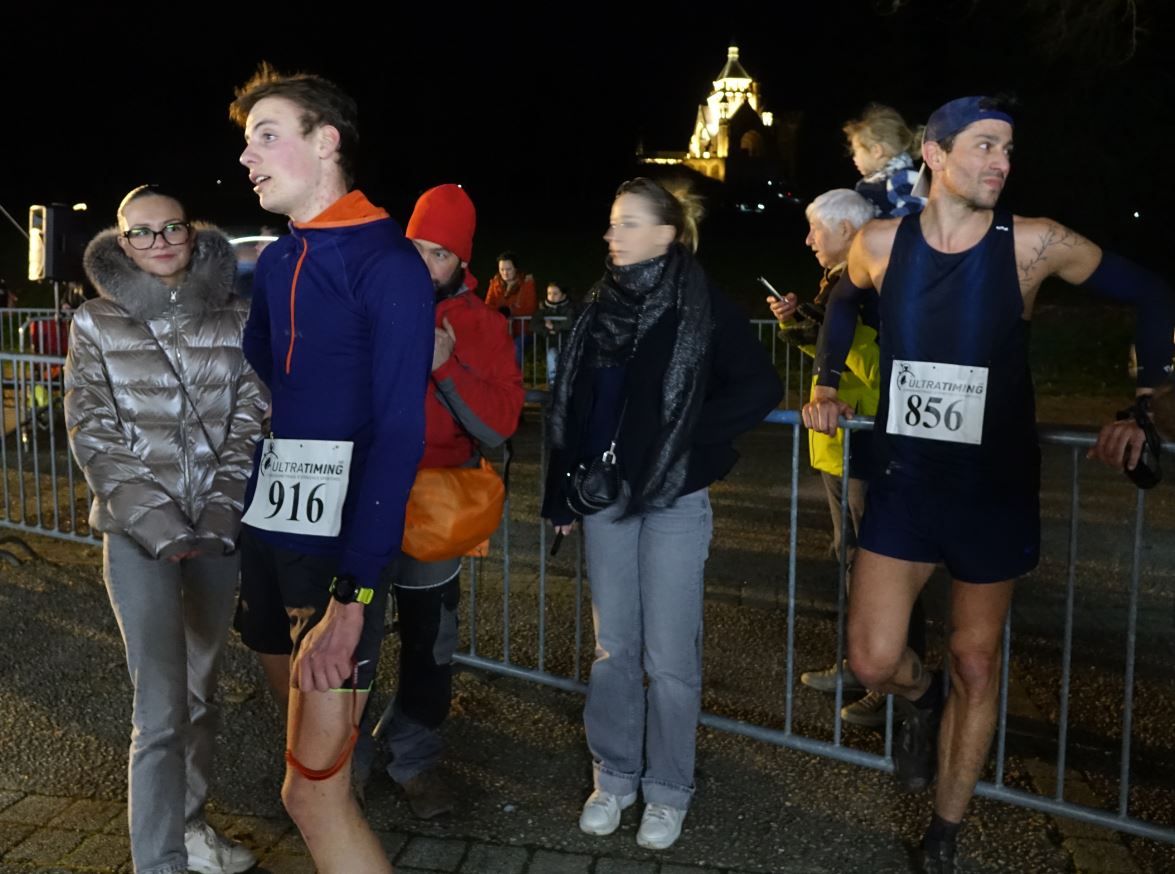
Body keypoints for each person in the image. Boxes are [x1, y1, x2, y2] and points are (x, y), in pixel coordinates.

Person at [804, 96, 1175, 873]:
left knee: (978, 660)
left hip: (990, 490)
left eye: (1007, 148)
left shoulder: (1033, 245)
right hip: (906, 482)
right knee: (873, 660)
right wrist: (827, 380)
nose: (1000, 162)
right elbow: (842, 298)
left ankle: (944, 830)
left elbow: (1151, 293)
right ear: (934, 157)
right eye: (982, 145)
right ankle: (919, 694)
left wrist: (1140, 405)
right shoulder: (877, 242)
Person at [230, 65, 434, 874]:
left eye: (267, 136)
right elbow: (273, 376)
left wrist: (354, 595)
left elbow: (398, 435)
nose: (248, 157)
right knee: (313, 767)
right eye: (245, 142)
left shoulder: (387, 264)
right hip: (271, 526)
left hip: (337, 549)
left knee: (310, 792)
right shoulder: (279, 261)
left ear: (327, 141)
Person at [543, 177, 782, 851]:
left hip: (675, 497)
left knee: (669, 657)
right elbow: (581, 409)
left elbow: (759, 386)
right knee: (613, 648)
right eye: (611, 222)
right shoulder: (600, 304)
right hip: (607, 501)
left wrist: (685, 434)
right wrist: (562, 494)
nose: (609, 234)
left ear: (665, 235)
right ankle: (613, 776)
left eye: (623, 223)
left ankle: (668, 789)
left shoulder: (701, 304)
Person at [64, 185, 266, 874]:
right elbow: (92, 433)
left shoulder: (235, 316)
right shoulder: (94, 322)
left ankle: (191, 826)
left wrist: (215, 515)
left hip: (215, 532)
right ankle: (159, 861)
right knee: (158, 709)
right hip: (135, 537)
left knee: (203, 692)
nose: (159, 241)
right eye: (142, 233)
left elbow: (248, 419)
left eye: (171, 227)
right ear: (123, 243)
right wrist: (158, 525)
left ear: (190, 232)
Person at [376, 183, 524, 818]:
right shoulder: (377, 308)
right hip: (366, 497)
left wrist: (444, 365)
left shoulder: (483, 325)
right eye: (415, 247)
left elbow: (498, 427)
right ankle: (338, 756)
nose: (422, 263)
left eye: (438, 253)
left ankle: (412, 759)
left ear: (462, 261)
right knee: (345, 633)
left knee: (428, 640)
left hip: (438, 503)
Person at [766, 188, 898, 727]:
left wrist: (828, 337)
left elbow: (875, 366)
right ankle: (859, 662)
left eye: (815, 229)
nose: (808, 239)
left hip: (867, 447)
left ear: (847, 231)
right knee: (850, 561)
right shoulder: (839, 285)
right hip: (838, 448)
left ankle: (890, 683)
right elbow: (832, 358)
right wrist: (803, 326)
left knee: (881, 567)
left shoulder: (874, 288)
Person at [844, 103, 925, 219]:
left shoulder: (901, 178)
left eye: (856, 151)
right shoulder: (868, 183)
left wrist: (879, 227)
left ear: (876, 151)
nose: (854, 158)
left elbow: (913, 213)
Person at [484, 250, 537, 364]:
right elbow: (487, 306)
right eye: (502, 269)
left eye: (509, 269)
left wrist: (509, 311)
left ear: (516, 268)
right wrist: (502, 312)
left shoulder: (526, 283)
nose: (505, 273)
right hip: (500, 330)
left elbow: (530, 308)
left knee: (515, 348)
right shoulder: (495, 283)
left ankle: (515, 380)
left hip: (522, 331)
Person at [538, 280, 578, 385]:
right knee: (552, 357)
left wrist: (554, 327)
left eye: (555, 293)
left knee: (567, 368)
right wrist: (546, 330)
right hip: (552, 343)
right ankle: (553, 386)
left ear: (563, 295)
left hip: (568, 343)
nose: (551, 296)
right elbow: (534, 323)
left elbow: (570, 322)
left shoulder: (571, 307)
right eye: (549, 293)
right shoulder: (543, 307)